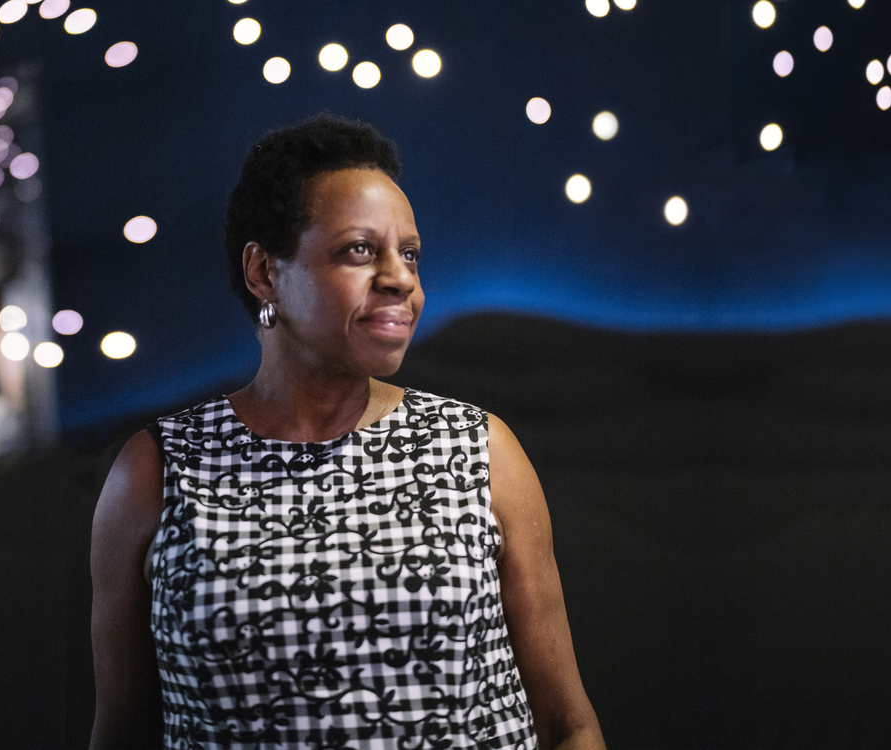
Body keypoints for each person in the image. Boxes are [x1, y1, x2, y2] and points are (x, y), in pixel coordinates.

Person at [90, 114, 606, 750]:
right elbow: (123, 736)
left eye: (409, 253)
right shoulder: (157, 472)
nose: (400, 278)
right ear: (264, 273)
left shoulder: (478, 449)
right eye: (359, 250)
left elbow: (567, 725)